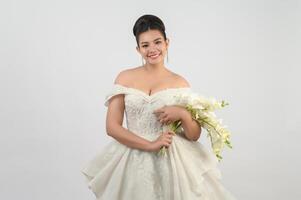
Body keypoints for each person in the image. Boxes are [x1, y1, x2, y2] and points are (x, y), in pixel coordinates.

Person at [81, 14, 237, 200]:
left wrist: (183, 114)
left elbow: (193, 136)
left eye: (157, 42)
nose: (152, 49)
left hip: (172, 159)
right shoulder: (124, 78)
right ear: (138, 49)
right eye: (145, 45)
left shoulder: (179, 82)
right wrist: (150, 145)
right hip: (134, 156)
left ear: (167, 43)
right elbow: (112, 127)